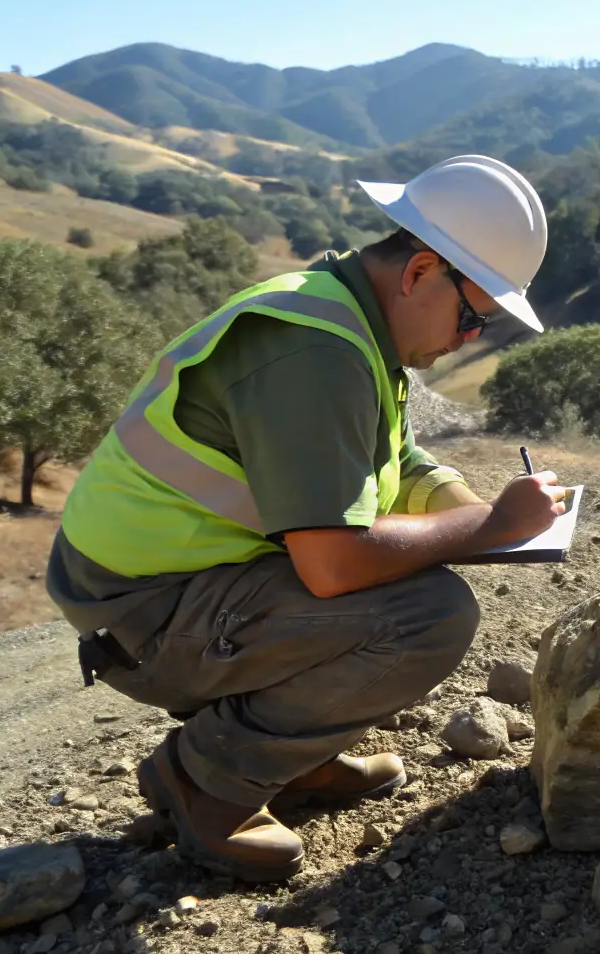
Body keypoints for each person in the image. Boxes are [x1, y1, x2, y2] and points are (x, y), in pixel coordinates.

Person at [46, 154, 568, 881]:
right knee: (426, 614)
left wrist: (479, 510)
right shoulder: (315, 350)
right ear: (419, 272)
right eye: (474, 313)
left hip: (166, 580)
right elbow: (334, 565)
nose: (472, 335)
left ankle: (293, 765)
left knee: (409, 579)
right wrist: (493, 529)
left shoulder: (349, 319)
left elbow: (399, 464)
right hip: (140, 612)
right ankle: (206, 781)